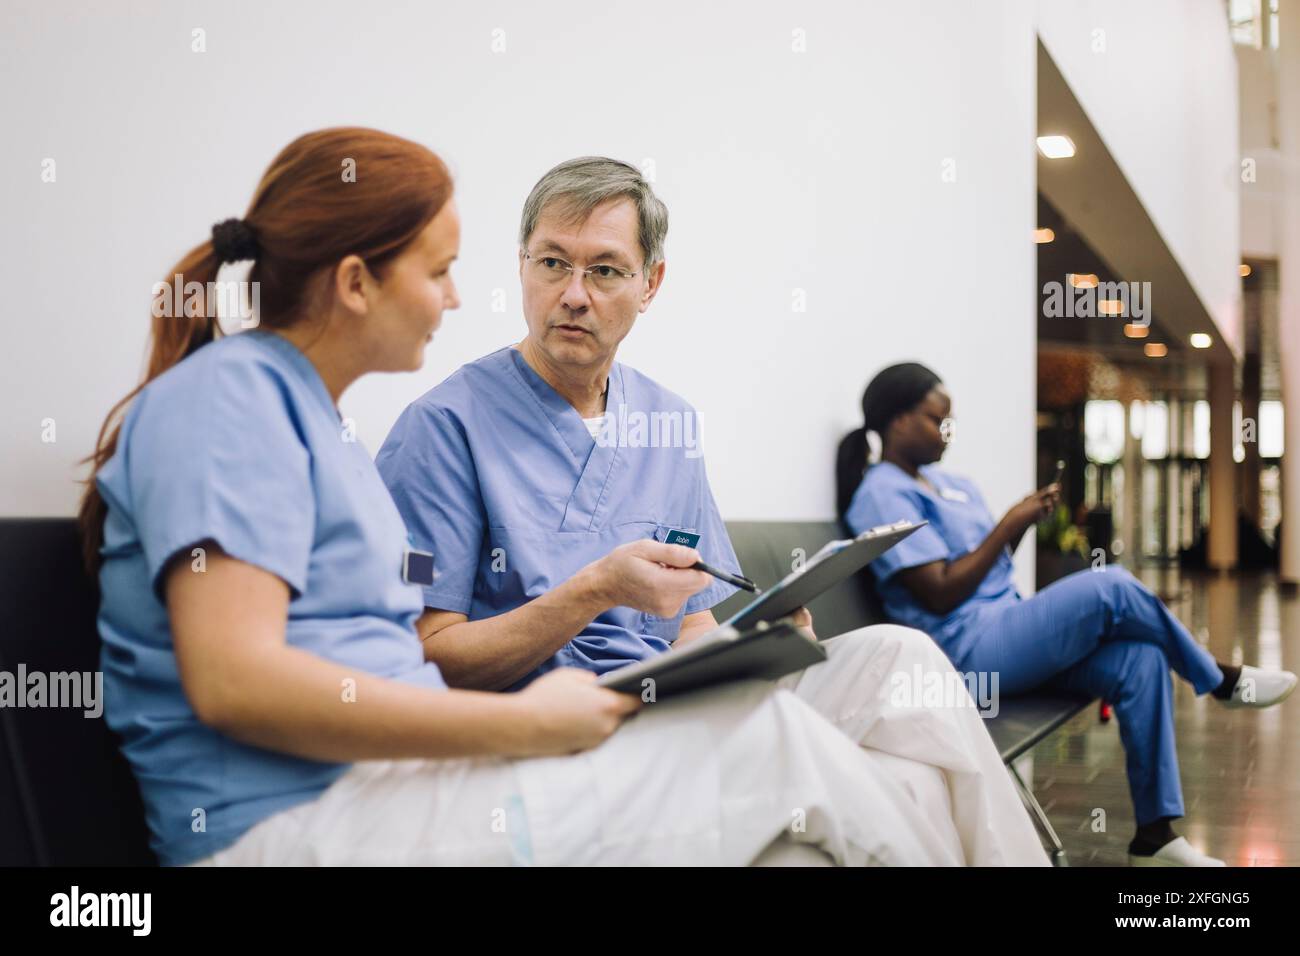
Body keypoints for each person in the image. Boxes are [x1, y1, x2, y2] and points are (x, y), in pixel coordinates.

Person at [79, 127, 989, 868]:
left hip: (405, 784)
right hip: (301, 826)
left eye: (602, 269)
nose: (452, 298)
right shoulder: (231, 403)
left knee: (894, 678)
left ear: (647, 284)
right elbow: (240, 681)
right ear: (356, 282)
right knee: (780, 753)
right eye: (439, 271)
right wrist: (520, 717)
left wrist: (732, 655)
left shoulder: (319, 428)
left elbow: (373, 661)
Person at [376, 157, 1048, 866]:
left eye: (605, 270)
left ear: (650, 283)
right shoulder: (444, 426)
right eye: (552, 263)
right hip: (562, 728)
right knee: (892, 779)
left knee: (901, 660)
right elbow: (429, 655)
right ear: (521, 267)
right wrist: (592, 591)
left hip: (675, 701)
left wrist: (754, 645)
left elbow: (691, 621)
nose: (572, 294)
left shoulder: (667, 422)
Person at [836, 361, 1299, 867]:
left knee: (1139, 658)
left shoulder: (953, 484)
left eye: (950, 420)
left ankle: (1154, 836)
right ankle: (1218, 680)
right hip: (962, 658)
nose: (946, 431)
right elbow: (941, 593)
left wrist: (1022, 522)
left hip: (1005, 629)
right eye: (934, 419)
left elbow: (988, 568)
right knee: (1113, 586)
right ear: (896, 420)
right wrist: (1008, 522)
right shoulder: (881, 493)